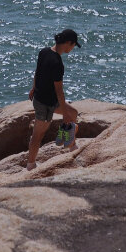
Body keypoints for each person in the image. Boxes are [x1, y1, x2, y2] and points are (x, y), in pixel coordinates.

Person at [27, 28, 81, 172]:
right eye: (73, 46)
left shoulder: (44, 51)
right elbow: (59, 91)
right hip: (45, 104)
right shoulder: (57, 63)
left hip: (45, 98)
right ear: (68, 43)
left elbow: (37, 73)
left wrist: (33, 88)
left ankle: (71, 145)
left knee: (73, 113)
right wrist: (64, 114)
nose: (72, 49)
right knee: (37, 135)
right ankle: (30, 166)